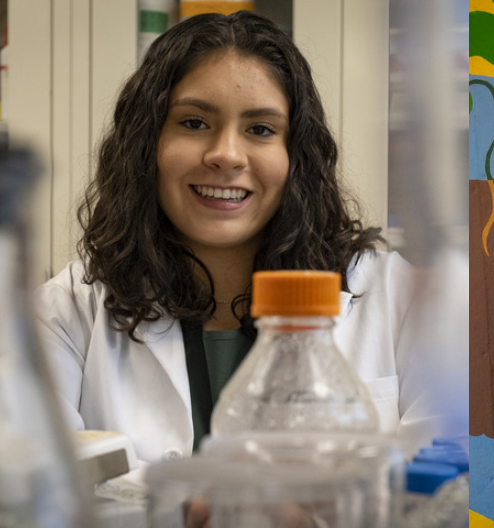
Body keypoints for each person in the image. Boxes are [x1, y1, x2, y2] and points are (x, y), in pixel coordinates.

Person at [34, 11, 452, 464]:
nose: (226, 155)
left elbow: (448, 476)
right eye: (194, 123)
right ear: (147, 143)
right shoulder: (67, 313)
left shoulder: (395, 299)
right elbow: (34, 475)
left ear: (296, 155)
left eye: (260, 130)